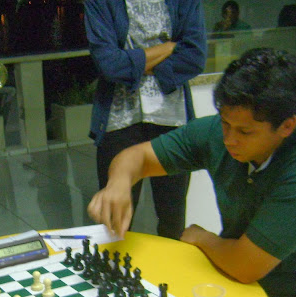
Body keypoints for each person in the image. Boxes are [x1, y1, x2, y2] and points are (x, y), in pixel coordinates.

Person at [87, 47, 296, 297]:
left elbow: (245, 266)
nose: (230, 139)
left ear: (287, 126)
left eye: (245, 132)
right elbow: (135, 157)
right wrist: (119, 183)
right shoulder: (219, 134)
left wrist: (202, 238)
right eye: (225, 124)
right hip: (233, 280)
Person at [84, 0, 207, 240]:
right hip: (118, 119)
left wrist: (132, 63)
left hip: (173, 119)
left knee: (173, 223)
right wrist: (169, 48)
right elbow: (109, 64)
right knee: (115, 224)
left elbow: (195, 57)